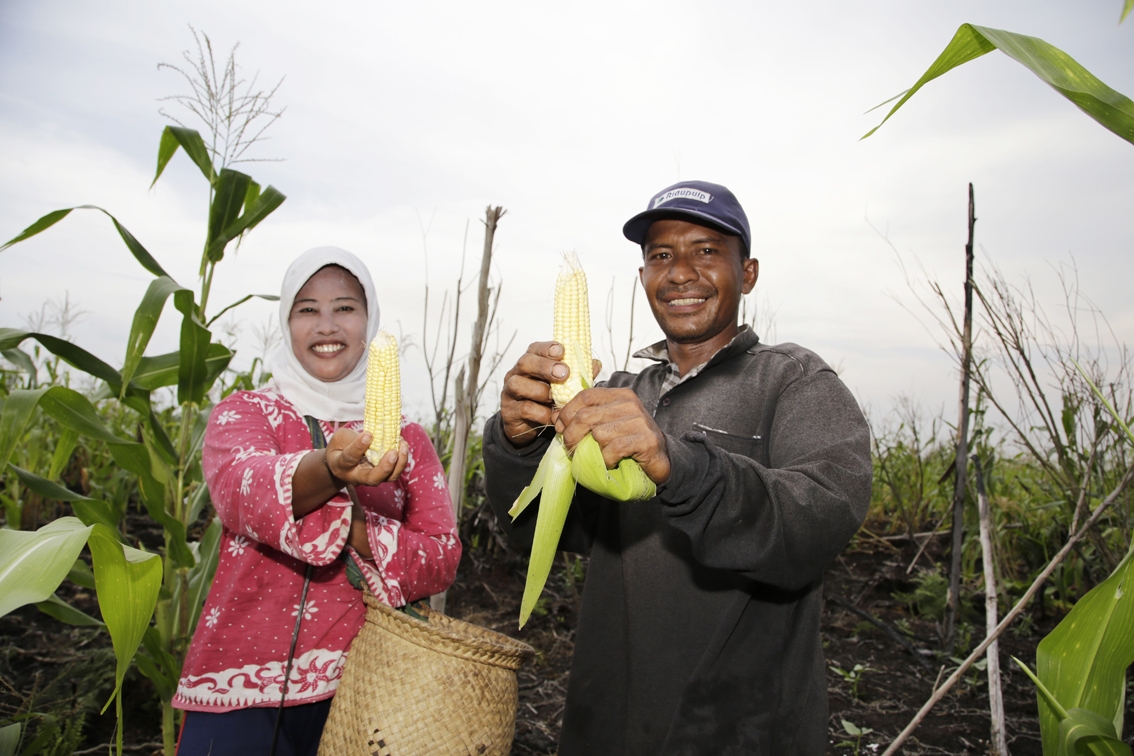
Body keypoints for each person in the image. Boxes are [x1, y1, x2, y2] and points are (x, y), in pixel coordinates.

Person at [482, 181, 872, 755]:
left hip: (741, 731)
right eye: (661, 255)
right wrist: (518, 443)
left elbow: (816, 522)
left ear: (751, 272)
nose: (681, 271)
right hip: (607, 721)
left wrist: (677, 464)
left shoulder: (794, 382)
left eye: (707, 251)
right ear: (643, 277)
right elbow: (533, 530)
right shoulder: (615, 394)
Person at [173, 247, 461, 756]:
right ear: (287, 322)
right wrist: (330, 468)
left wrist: (354, 529)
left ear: (368, 319)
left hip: (367, 692)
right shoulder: (245, 413)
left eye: (345, 307)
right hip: (240, 688)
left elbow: (441, 558)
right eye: (307, 309)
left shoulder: (408, 438)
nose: (327, 325)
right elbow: (242, 491)